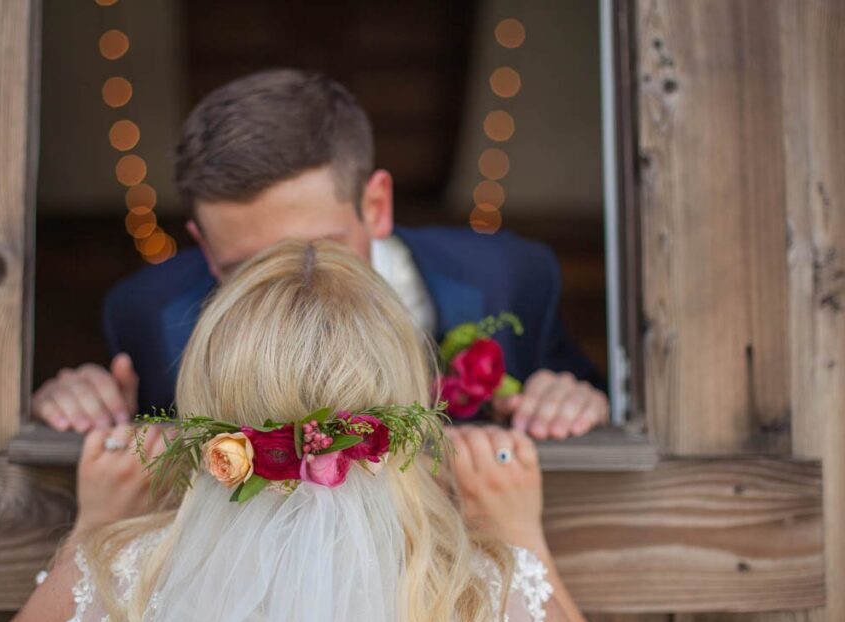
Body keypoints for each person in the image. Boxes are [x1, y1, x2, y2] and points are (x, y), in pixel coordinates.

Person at [0, 241, 622, 622]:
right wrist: (523, 540)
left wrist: (89, 529)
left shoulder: (110, 588)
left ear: (204, 407)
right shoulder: (491, 604)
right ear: (412, 410)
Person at [32, 69, 609, 442]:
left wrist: (573, 404)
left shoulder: (509, 278)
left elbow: (594, 402)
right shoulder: (145, 313)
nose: (292, 280)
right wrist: (80, 410)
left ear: (376, 203)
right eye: (245, 266)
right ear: (205, 247)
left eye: (318, 250)